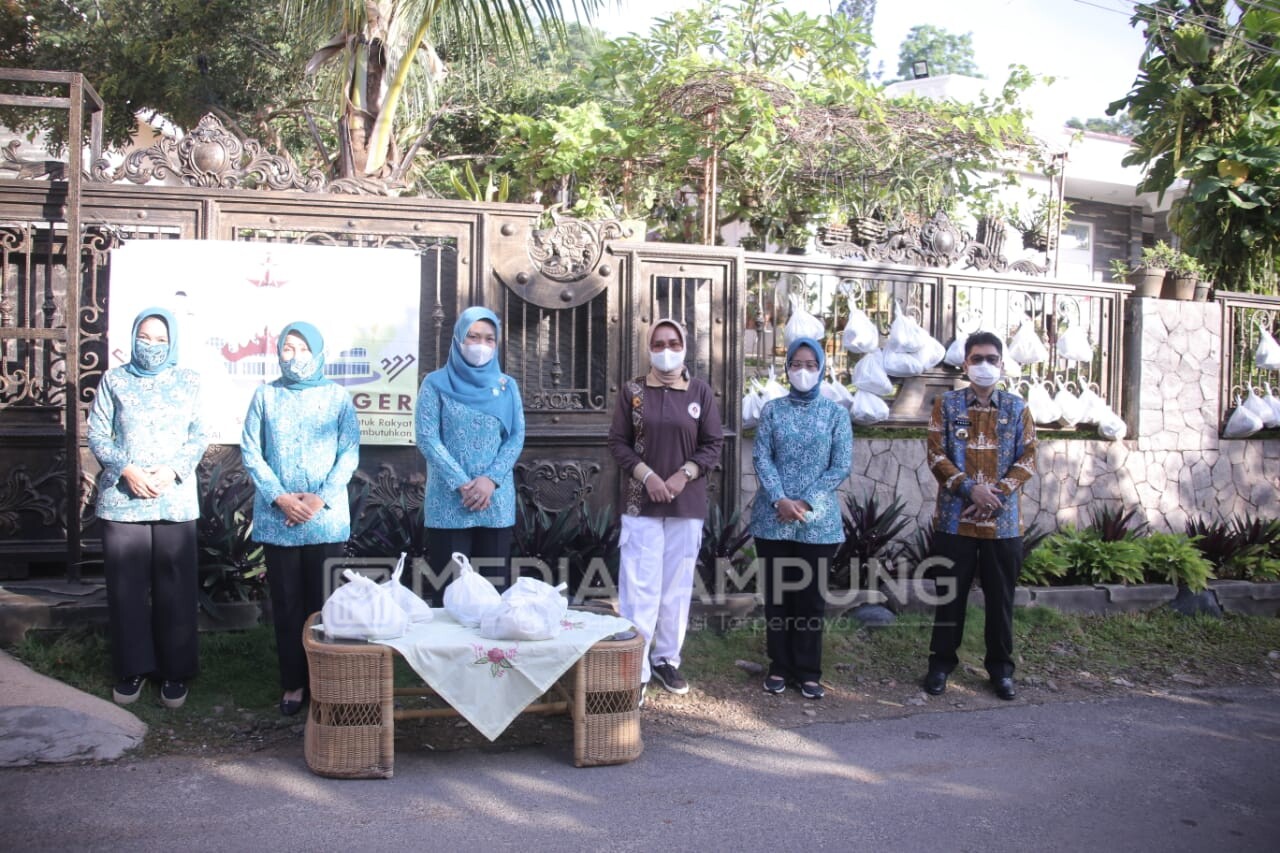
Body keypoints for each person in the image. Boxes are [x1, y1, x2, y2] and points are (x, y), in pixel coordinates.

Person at [88, 307, 208, 709]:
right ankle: (132, 667)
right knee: (127, 589)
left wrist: (172, 470)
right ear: (133, 337)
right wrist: (126, 469)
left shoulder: (189, 381)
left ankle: (174, 672)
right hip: (124, 500)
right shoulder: (114, 380)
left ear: (172, 342)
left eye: (160, 339)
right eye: (145, 336)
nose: (151, 346)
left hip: (173, 499)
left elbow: (199, 434)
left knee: (176, 587)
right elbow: (98, 432)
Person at [241, 322, 360, 717]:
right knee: (288, 605)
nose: (294, 357)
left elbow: (349, 453)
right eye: (287, 349)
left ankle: (326, 682)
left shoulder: (338, 397)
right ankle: (293, 683)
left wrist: (318, 499)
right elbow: (251, 451)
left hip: (324, 520)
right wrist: (280, 498)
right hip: (280, 520)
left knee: (325, 606)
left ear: (319, 352)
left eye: (302, 348)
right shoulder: (265, 396)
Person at [608, 319, 724, 696]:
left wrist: (681, 476)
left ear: (685, 346)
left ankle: (666, 660)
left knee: (675, 587)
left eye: (673, 342)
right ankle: (635, 667)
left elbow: (712, 443)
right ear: (648, 348)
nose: (666, 349)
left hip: (685, 504)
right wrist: (649, 477)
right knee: (638, 587)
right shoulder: (633, 393)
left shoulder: (700, 392)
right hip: (641, 504)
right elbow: (618, 443)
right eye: (658, 343)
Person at [922, 331, 1038, 701]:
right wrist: (970, 489)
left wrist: (996, 494)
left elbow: (1028, 459)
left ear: (1002, 364)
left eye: (991, 358)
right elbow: (936, 455)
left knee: (1000, 600)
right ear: (965, 364)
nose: (984, 365)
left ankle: (1001, 671)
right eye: (976, 359)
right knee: (949, 597)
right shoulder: (947, 405)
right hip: (956, 521)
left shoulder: (1017, 409)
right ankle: (940, 666)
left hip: (1002, 525)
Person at [750, 338, 852, 700]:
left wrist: (805, 502)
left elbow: (840, 465)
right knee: (778, 596)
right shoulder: (773, 410)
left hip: (818, 523)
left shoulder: (836, 414)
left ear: (822, 367)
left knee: (809, 598)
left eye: (810, 364)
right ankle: (779, 666)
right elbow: (762, 457)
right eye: (796, 364)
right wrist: (779, 499)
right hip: (772, 519)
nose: (803, 371)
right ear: (787, 366)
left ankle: (808, 670)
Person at [416, 307, 525, 603]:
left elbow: (515, 437)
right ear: (458, 339)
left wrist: (489, 480)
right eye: (473, 336)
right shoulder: (435, 383)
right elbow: (427, 437)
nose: (481, 345)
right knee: (449, 597)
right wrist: (463, 484)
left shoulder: (506, 387)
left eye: (489, 339)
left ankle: (491, 653)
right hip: (449, 503)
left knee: (492, 597)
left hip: (495, 503)